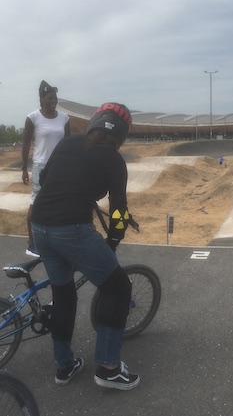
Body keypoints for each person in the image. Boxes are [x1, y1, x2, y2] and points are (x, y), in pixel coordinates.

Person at [31, 102, 141, 390]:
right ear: (121, 134)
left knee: (64, 294)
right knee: (117, 287)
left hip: (40, 225)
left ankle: (65, 366)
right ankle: (108, 367)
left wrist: (81, 189)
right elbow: (118, 210)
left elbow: (45, 179)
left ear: (94, 122)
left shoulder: (67, 143)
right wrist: (113, 241)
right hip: (71, 229)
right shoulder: (114, 160)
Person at [21, 80, 71, 257]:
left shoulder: (64, 118)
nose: (53, 101)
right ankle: (32, 242)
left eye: (55, 98)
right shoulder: (33, 117)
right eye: (49, 98)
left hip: (60, 165)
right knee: (37, 202)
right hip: (41, 165)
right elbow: (26, 143)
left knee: (60, 202)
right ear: (41, 99)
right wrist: (24, 168)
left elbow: (68, 143)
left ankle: (56, 240)